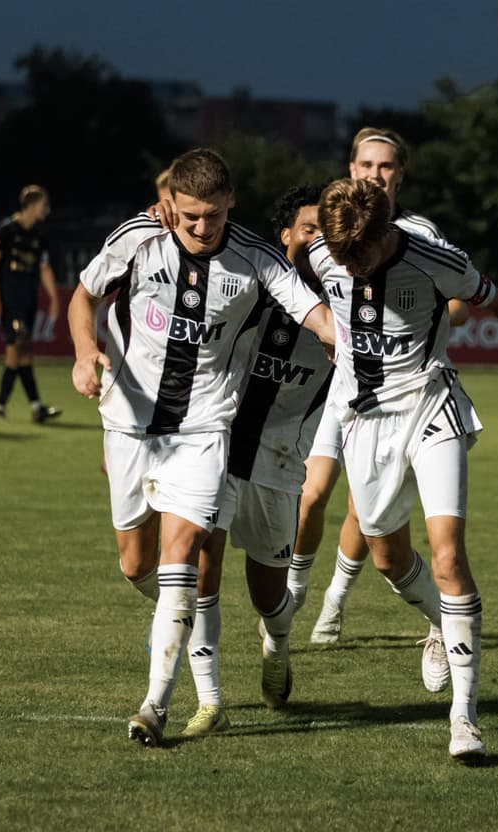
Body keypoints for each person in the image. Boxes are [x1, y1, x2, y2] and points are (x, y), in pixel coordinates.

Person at [311, 177, 498, 760]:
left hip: (430, 404)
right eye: (342, 259)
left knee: (448, 556)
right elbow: (283, 262)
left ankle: (464, 719)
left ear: (385, 233)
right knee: (389, 559)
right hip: (365, 421)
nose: (350, 268)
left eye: (359, 257)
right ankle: (440, 625)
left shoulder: (433, 258)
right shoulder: (326, 251)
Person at [67, 148, 333, 748]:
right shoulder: (140, 237)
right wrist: (84, 353)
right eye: (189, 216)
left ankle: (155, 705)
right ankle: (183, 625)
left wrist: (338, 339)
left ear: (230, 202)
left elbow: (312, 310)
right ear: (170, 203)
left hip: (205, 428)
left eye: (212, 215)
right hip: (129, 421)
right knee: (137, 566)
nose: (201, 227)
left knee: (184, 553)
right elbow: (83, 296)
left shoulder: (256, 259)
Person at [300, 128, 468, 669]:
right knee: (312, 494)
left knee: (362, 509)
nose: (376, 174)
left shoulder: (421, 235)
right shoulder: (330, 227)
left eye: (387, 166)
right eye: (367, 164)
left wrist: (415, 326)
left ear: (401, 174)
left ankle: (334, 600)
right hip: (342, 389)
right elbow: (298, 275)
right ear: (351, 169)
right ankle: (296, 600)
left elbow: (461, 300)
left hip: (404, 394)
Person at [179, 184, 333, 737]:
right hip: (216, 443)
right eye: (309, 230)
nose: (318, 242)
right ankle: (210, 700)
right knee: (203, 564)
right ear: (285, 235)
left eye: (327, 233)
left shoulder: (343, 308)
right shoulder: (249, 284)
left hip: (279, 460)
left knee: (269, 597)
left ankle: (278, 644)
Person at [0, 185, 62, 423]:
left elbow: (44, 268)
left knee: (26, 353)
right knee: (16, 349)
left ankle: (36, 408)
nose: (46, 210)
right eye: (43, 205)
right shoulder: (7, 229)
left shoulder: (38, 234)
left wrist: (54, 298)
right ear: (32, 205)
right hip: (10, 301)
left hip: (29, 300)